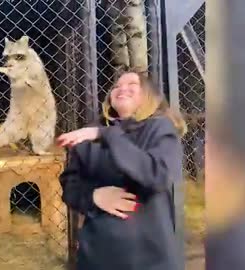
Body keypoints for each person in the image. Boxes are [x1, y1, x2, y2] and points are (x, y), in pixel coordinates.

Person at [56, 71, 187, 270]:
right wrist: (93, 196)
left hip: (150, 258)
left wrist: (107, 135)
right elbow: (70, 186)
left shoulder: (159, 128)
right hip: (97, 257)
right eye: (116, 86)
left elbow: (158, 175)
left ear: (149, 95)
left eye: (132, 83)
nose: (121, 88)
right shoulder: (92, 134)